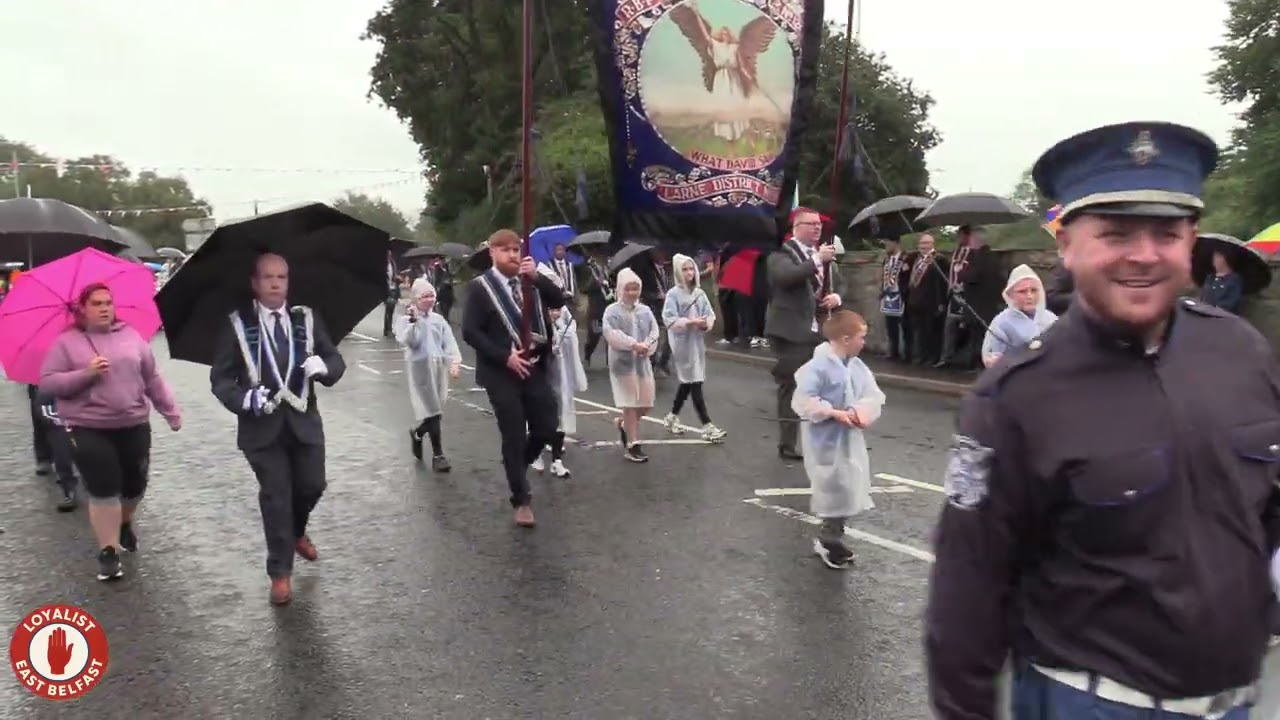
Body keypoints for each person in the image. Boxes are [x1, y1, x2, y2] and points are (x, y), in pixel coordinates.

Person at [926, 122, 1274, 720]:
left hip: (1239, 702)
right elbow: (968, 592)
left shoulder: (1241, 351)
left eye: (1166, 233)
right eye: (1114, 233)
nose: (1143, 255)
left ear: (1190, 240)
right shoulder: (1013, 398)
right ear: (1065, 244)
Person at [210, 252, 347, 606]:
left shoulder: (307, 320)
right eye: (268, 277)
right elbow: (221, 379)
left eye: (282, 277)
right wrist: (244, 400)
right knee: (276, 495)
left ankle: (297, 531)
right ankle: (280, 573)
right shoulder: (238, 325)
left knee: (313, 485)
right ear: (255, 283)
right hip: (262, 429)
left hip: (304, 422)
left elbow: (335, 360)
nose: (275, 283)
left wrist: (325, 367)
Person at [40, 283, 181, 582]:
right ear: (82, 309)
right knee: (103, 487)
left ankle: (124, 523)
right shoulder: (66, 343)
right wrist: (86, 374)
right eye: (97, 303)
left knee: (134, 486)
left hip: (133, 423)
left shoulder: (131, 337)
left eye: (108, 302)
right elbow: (49, 384)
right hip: (88, 426)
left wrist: (170, 411)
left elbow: (152, 377)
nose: (104, 308)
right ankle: (108, 551)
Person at [461, 229, 565, 528]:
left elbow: (558, 300)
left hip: (533, 366)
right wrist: (503, 356)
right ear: (492, 252)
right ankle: (521, 499)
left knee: (546, 426)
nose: (513, 254)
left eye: (516, 248)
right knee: (514, 431)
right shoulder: (481, 288)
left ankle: (517, 464)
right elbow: (471, 332)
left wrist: (539, 277)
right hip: (501, 372)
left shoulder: (529, 279)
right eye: (505, 249)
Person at [790, 310, 884, 569]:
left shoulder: (855, 366)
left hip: (849, 438)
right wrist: (831, 412)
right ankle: (827, 539)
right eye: (861, 337)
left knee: (849, 486)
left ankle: (834, 535)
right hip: (826, 442)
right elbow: (803, 400)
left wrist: (859, 412)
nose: (863, 342)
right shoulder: (817, 367)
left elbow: (872, 394)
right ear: (845, 338)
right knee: (833, 488)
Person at [764, 207, 841, 460]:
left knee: (824, 386)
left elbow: (841, 284)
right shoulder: (781, 254)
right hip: (791, 331)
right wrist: (817, 259)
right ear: (796, 228)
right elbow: (787, 277)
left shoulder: (825, 258)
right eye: (811, 224)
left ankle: (821, 440)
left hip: (820, 330)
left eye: (819, 224)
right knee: (792, 386)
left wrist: (836, 297)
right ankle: (787, 444)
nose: (817, 228)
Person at [394, 278, 462, 472]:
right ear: (416, 299)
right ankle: (438, 455)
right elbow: (410, 341)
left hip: (438, 368)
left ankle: (417, 433)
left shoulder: (438, 320)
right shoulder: (406, 321)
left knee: (436, 410)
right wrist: (414, 322)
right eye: (425, 296)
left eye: (432, 295)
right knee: (433, 412)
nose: (430, 299)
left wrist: (454, 362)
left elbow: (449, 343)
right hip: (420, 369)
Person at [661, 253, 726, 441]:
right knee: (694, 380)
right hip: (682, 343)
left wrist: (706, 324)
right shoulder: (673, 294)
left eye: (691, 268)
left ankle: (672, 416)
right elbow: (669, 319)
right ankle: (707, 425)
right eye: (685, 269)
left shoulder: (699, 293)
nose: (689, 272)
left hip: (697, 341)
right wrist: (689, 322)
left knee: (688, 381)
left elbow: (709, 314)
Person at [603, 268, 660, 463]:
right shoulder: (612, 311)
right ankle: (633, 444)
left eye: (635, 289)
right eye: (628, 289)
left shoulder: (645, 310)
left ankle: (624, 424)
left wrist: (647, 346)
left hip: (642, 363)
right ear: (620, 289)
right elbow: (612, 334)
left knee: (646, 403)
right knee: (630, 403)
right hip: (623, 365)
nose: (632, 293)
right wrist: (633, 345)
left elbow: (654, 331)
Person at [531, 295, 587, 478]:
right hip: (540, 375)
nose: (555, 313)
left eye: (558, 309)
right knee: (539, 416)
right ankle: (536, 454)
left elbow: (570, 336)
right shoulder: (535, 323)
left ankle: (556, 460)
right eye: (551, 310)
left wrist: (560, 338)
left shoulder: (565, 324)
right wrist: (546, 346)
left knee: (560, 416)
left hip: (560, 377)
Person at [980, 264, 1058, 368]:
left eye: (1034, 290)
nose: (1029, 296)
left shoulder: (1051, 319)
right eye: (1022, 291)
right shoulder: (1002, 323)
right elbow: (993, 357)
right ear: (1010, 294)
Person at [32, 386, 80, 512]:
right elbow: (45, 410)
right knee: (62, 455)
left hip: (89, 420)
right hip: (59, 422)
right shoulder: (49, 385)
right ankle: (68, 488)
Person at [904, 234, 948, 365]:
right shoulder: (915, 259)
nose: (923, 246)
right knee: (919, 331)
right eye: (921, 244)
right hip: (915, 301)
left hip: (932, 302)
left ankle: (932, 357)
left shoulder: (939, 260)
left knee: (932, 332)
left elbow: (943, 283)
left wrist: (941, 302)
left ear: (932, 244)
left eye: (926, 243)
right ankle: (920, 356)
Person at [878, 237, 911, 361]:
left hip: (901, 296)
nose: (886, 245)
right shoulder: (887, 259)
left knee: (904, 327)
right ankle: (893, 352)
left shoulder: (906, 258)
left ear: (896, 243)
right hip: (888, 295)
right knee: (890, 326)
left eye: (888, 242)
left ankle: (907, 354)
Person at [1200, 249, 1244, 313]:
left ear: (1227, 259)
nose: (1214, 259)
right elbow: (1203, 297)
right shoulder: (1210, 278)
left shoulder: (1234, 280)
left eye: (1218, 256)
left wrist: (1211, 310)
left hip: (1222, 318)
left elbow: (1230, 303)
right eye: (1214, 256)